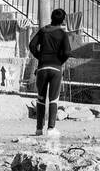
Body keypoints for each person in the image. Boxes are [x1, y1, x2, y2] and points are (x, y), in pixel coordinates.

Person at [28, 8, 71, 139]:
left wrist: (40, 57)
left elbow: (32, 46)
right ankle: (51, 128)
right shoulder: (62, 34)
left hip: (42, 68)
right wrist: (59, 61)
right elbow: (68, 52)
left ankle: (39, 129)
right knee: (53, 99)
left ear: (51, 18)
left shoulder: (43, 31)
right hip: (56, 68)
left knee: (41, 98)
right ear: (63, 20)